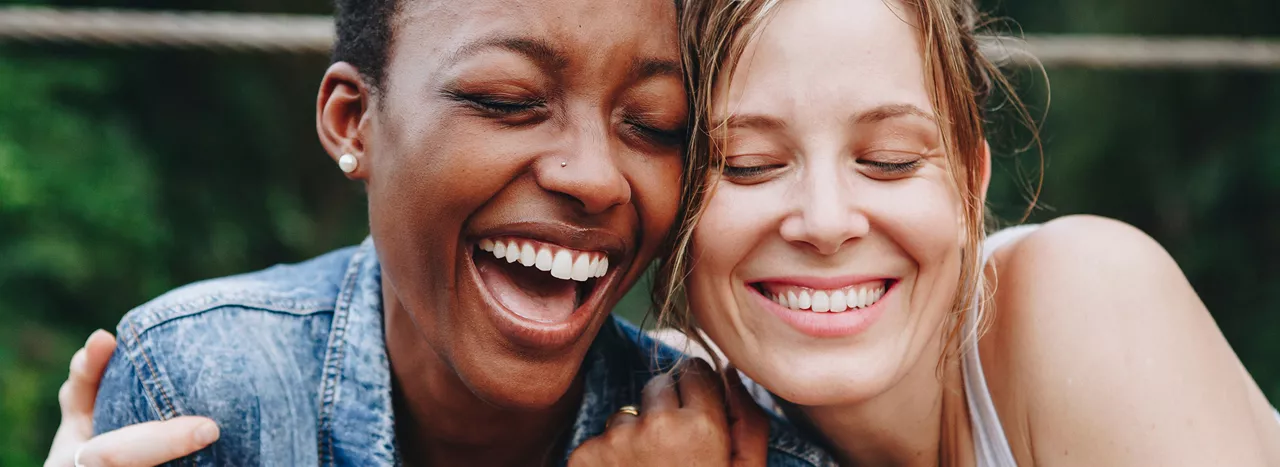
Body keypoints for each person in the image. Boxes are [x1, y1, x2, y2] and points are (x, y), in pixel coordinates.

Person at [43, 0, 836, 465]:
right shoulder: (212, 397)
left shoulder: (735, 446)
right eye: (505, 99)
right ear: (355, 122)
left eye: (655, 125)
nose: (594, 176)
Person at [631, 0, 1280, 465]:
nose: (826, 221)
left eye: (890, 160)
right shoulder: (672, 409)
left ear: (970, 187)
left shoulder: (1087, 296)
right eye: (751, 165)